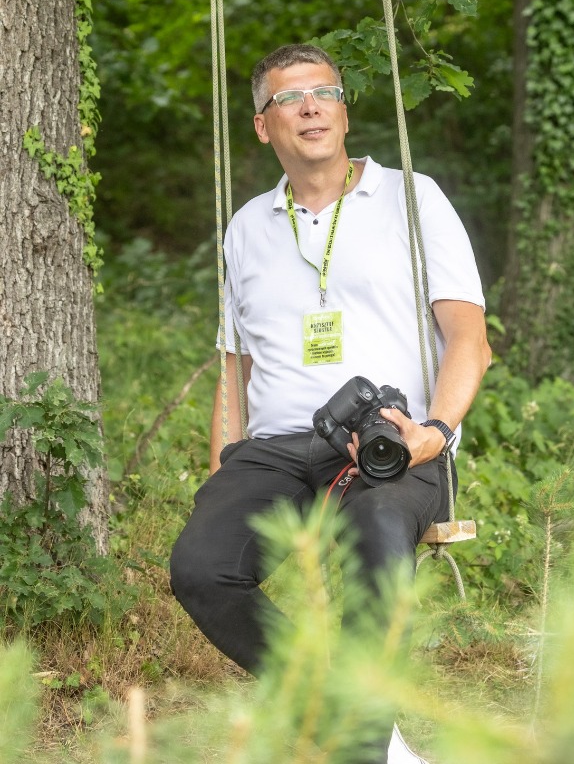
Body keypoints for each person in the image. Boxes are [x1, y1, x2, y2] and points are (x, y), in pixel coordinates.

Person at [170, 43, 491, 763]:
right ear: (263, 125)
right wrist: (223, 457)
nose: (310, 106)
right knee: (201, 566)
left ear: (344, 111)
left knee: (378, 535)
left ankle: (357, 748)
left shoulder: (414, 197)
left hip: (389, 438)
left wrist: (434, 432)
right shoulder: (248, 226)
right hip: (278, 445)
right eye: (289, 97)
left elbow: (470, 339)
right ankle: (344, 709)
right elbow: (234, 364)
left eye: (324, 92)